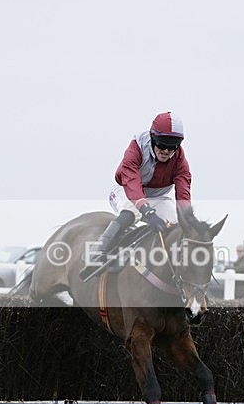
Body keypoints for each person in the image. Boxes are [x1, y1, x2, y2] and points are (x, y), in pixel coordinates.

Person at [79, 112, 192, 280]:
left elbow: (183, 191)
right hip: (125, 190)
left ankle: (172, 269)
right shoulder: (137, 147)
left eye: (172, 146)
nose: (166, 151)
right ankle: (97, 252)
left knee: (177, 223)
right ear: (153, 138)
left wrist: (187, 218)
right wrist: (148, 212)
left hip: (157, 197)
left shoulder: (180, 159)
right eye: (162, 144)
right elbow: (132, 183)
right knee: (133, 212)